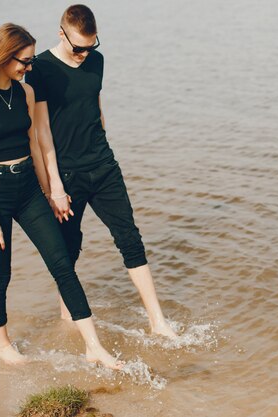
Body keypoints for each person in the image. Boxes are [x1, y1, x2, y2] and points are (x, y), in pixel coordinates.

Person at [0, 23, 124, 368]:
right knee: (0, 276)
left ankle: (93, 346)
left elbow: (34, 145)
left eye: (29, 63)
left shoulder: (24, 92)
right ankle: (2, 344)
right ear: (3, 55)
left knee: (63, 266)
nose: (29, 69)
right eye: (24, 62)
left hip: (28, 188)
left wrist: (48, 192)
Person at [26, 5, 177, 338]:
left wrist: (103, 146)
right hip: (67, 174)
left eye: (90, 47)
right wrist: (54, 186)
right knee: (68, 247)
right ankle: (67, 317)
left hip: (103, 166)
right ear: (61, 33)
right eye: (78, 47)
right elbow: (41, 132)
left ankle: (158, 322)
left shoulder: (97, 61)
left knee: (130, 239)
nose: (84, 54)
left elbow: (95, 108)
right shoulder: (40, 70)